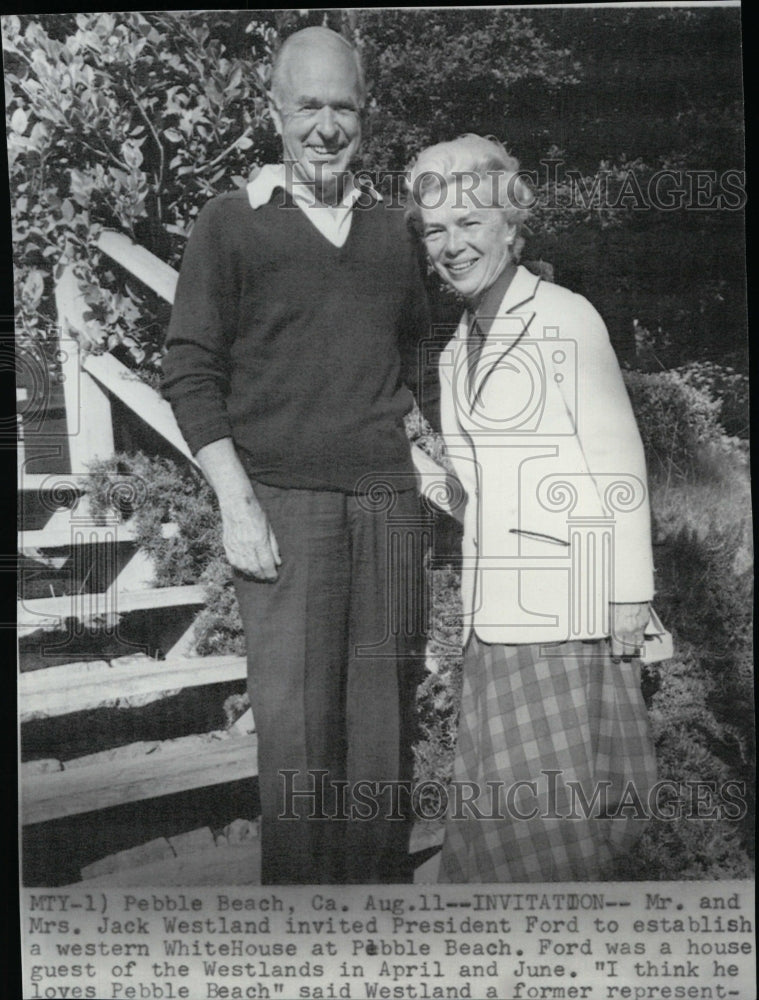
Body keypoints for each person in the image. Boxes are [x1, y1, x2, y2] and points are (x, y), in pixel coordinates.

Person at [163, 27, 431, 885]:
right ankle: (303, 932)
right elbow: (189, 370)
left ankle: (378, 927)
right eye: (307, 105)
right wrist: (235, 503)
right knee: (297, 735)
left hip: (388, 506)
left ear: (366, 114)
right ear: (272, 111)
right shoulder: (230, 224)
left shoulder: (395, 231)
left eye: (342, 106)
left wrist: (437, 444)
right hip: (283, 506)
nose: (325, 126)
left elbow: (418, 357)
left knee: (383, 730)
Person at [406, 134, 658, 882]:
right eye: (435, 230)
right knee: (508, 832)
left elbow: (619, 461)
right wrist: (414, 466)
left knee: (550, 834)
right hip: (495, 620)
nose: (452, 246)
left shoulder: (564, 317)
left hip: (566, 611)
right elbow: (482, 494)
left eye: (469, 224)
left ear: (510, 227)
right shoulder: (456, 349)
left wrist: (630, 595)